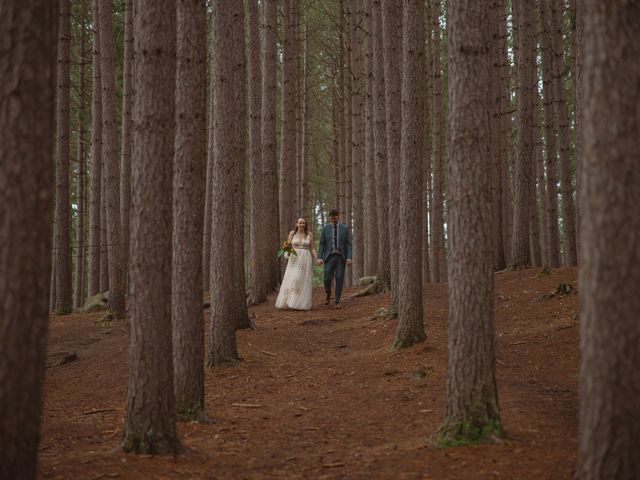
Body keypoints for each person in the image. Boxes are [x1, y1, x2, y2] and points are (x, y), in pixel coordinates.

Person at [275, 218, 317, 310]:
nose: (302, 224)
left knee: (303, 280)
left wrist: (316, 258)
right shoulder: (292, 234)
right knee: (294, 279)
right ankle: (290, 301)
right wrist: (287, 251)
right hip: (294, 259)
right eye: (300, 223)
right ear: (297, 224)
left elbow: (312, 248)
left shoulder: (309, 234)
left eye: (303, 223)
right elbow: (288, 246)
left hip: (306, 259)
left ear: (305, 224)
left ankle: (300, 303)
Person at [317, 209, 352, 308]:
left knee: (339, 278)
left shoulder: (345, 228)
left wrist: (349, 257)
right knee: (327, 278)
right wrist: (320, 257)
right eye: (331, 217)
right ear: (329, 218)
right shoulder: (325, 228)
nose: (333, 219)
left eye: (335, 217)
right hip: (329, 257)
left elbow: (348, 244)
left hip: (341, 257)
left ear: (338, 217)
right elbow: (321, 244)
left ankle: (337, 301)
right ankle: (328, 294)